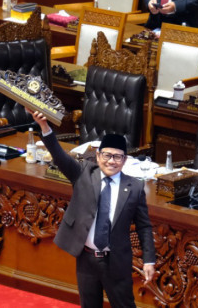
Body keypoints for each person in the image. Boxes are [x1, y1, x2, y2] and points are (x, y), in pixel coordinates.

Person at [29, 110, 156, 308]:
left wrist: (149, 260)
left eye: (117, 157)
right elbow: (59, 156)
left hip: (116, 262)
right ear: (97, 156)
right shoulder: (83, 173)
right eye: (107, 155)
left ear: (124, 160)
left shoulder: (135, 187)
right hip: (86, 259)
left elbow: (144, 227)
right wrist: (45, 128)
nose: (111, 161)